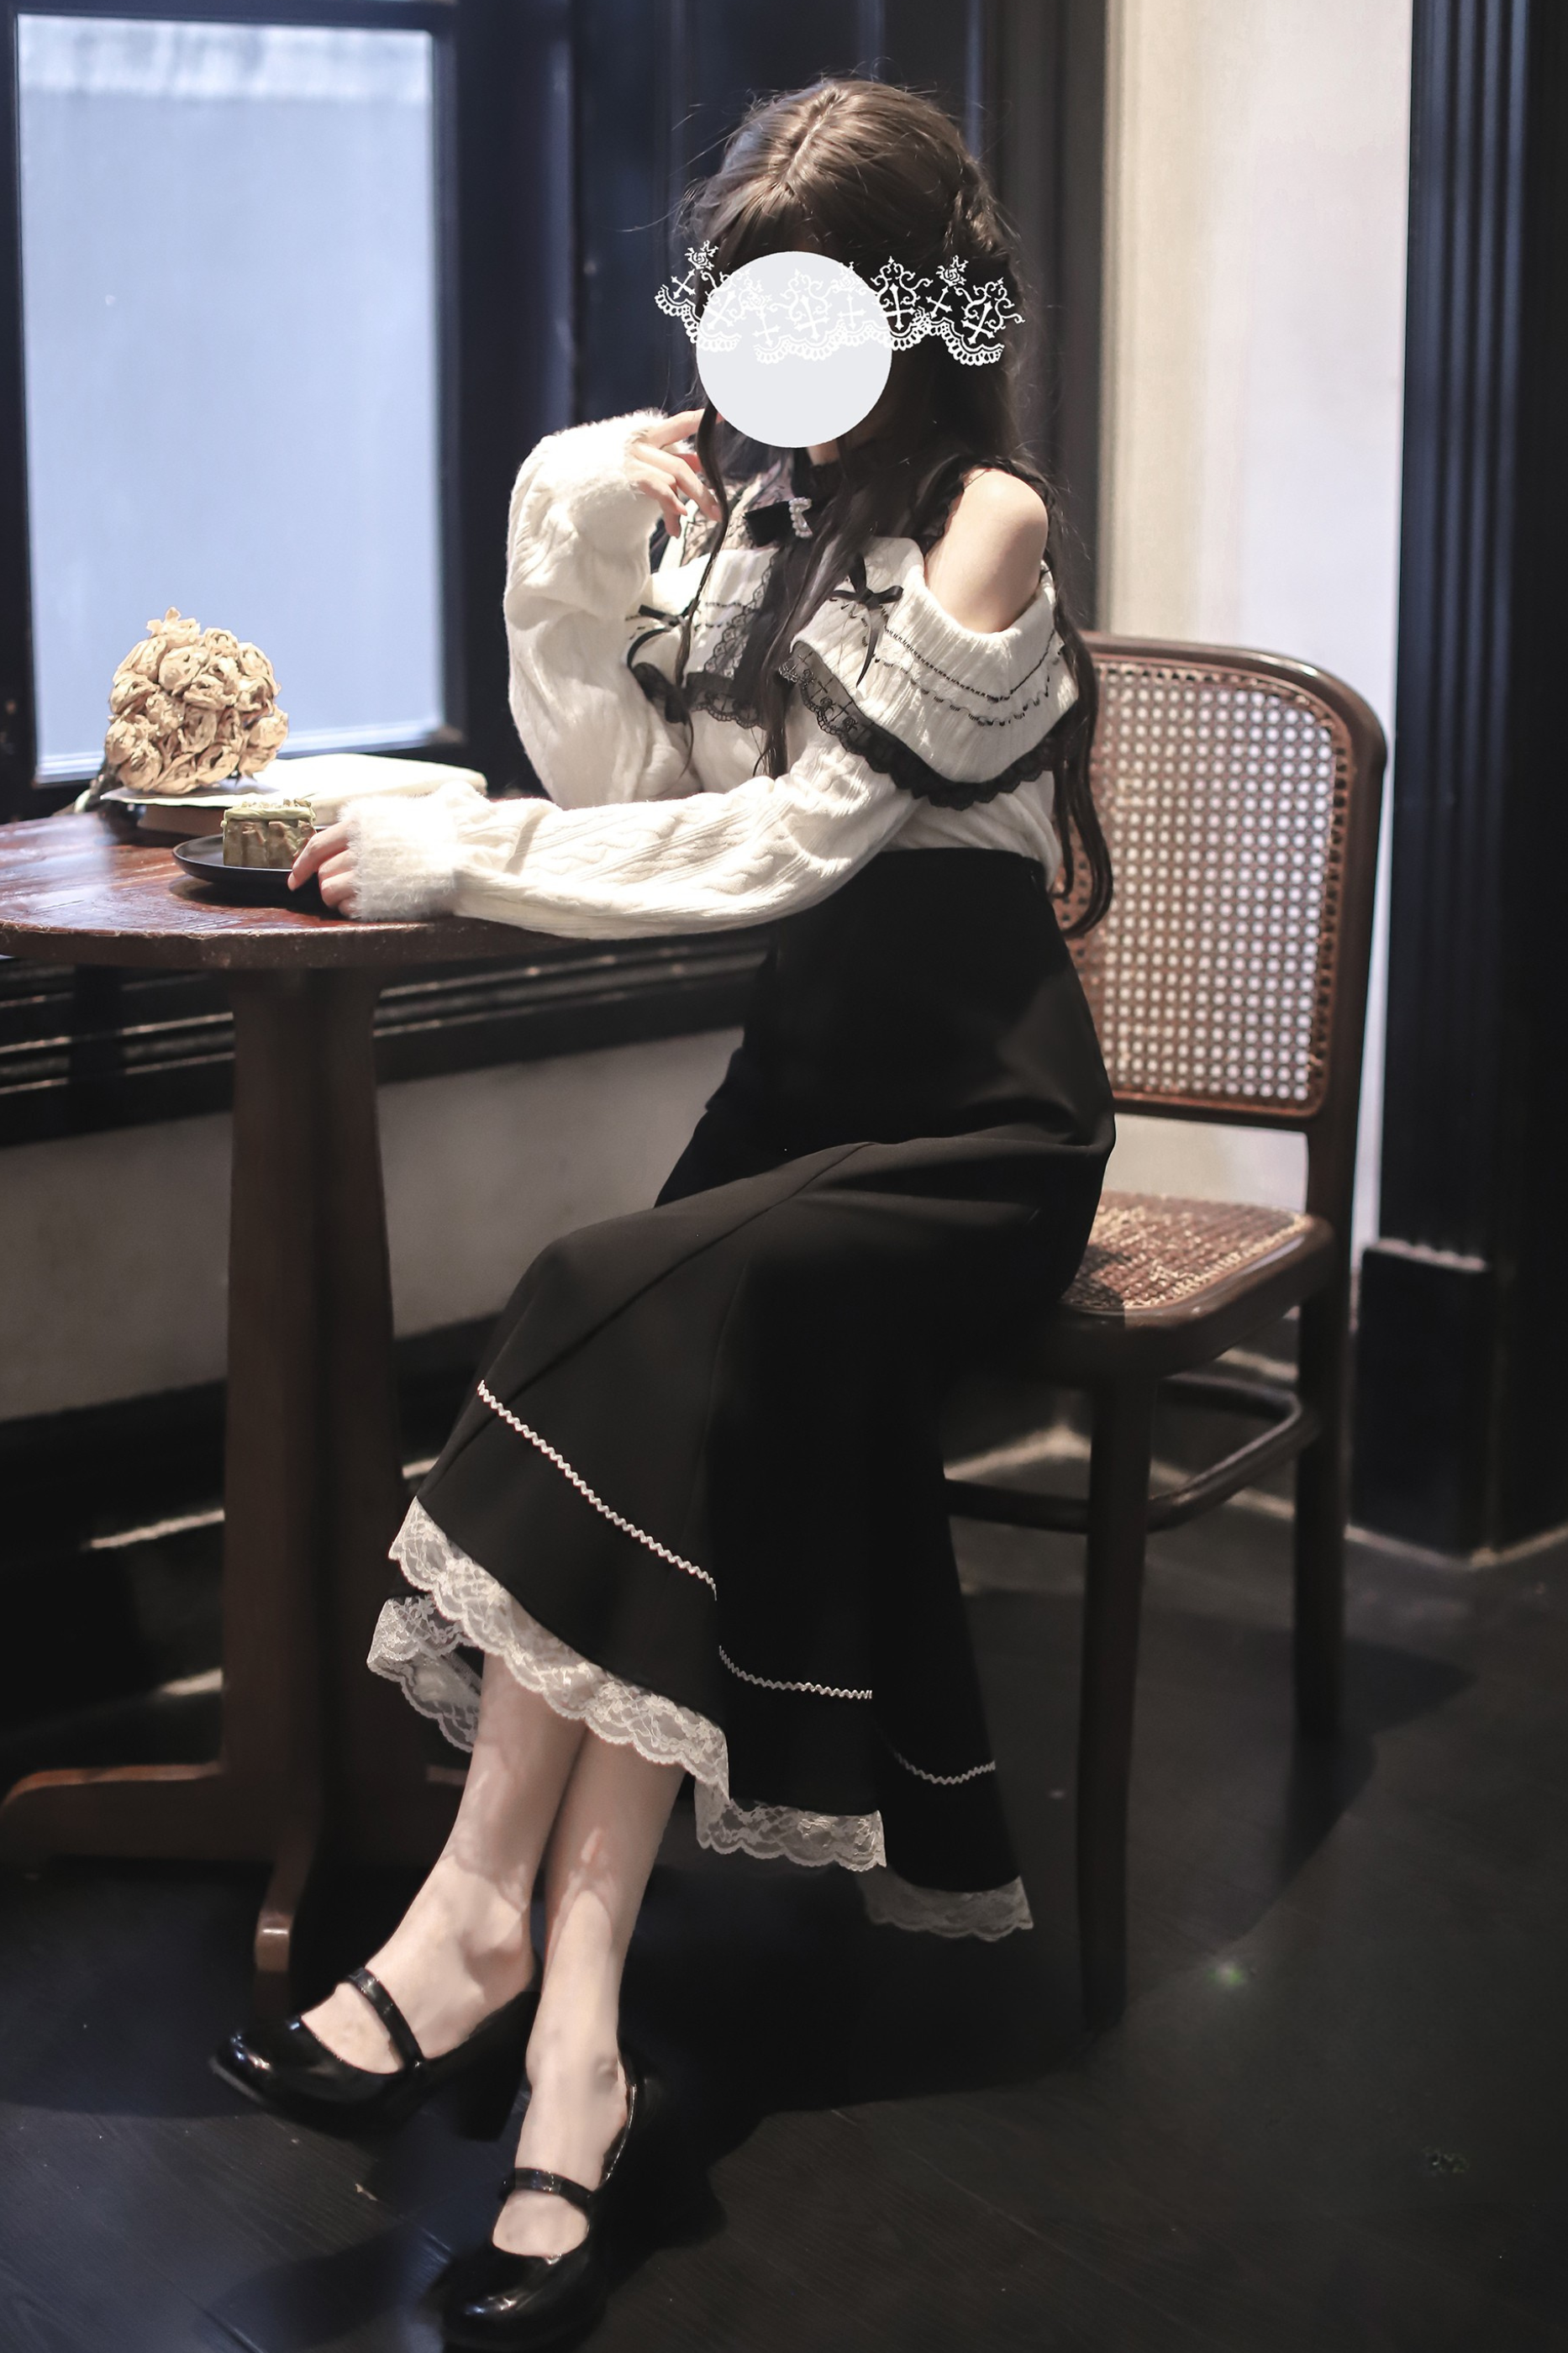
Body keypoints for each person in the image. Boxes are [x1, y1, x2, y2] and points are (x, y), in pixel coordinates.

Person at [213, 75, 1115, 2352]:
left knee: (606, 1293)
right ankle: (576, 2049)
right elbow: (624, 787)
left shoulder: (989, 521)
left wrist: (448, 857)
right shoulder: (757, 519)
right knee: (656, 1369)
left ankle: (471, 1925)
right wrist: (577, 524)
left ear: (910, 308)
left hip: (973, 1125)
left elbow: (787, 852)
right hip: (794, 1092)